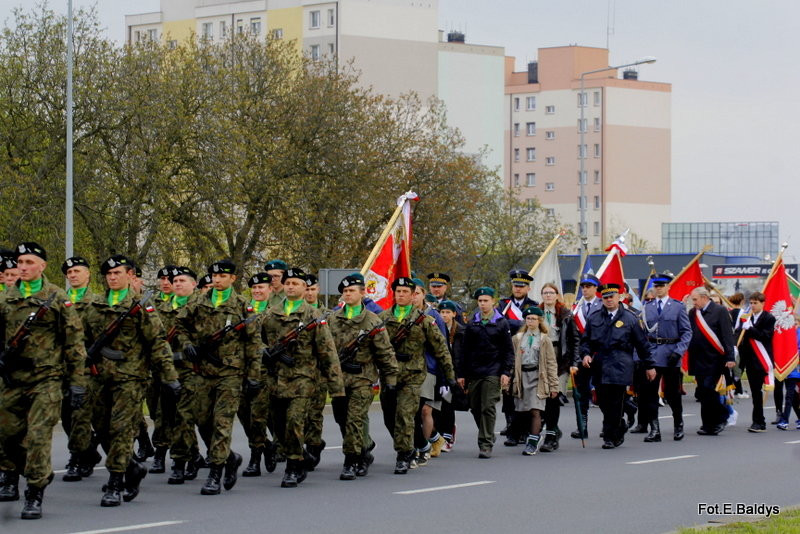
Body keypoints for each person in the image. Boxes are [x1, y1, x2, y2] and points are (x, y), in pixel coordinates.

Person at [83, 254, 181, 507]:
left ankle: (116, 481)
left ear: (130, 276)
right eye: (109, 274)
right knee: (102, 428)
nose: (113, 278)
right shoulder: (94, 304)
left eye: (118, 273)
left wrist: (170, 378)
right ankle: (131, 468)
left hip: (131, 377)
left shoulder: (141, 306)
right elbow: (80, 339)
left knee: (121, 429)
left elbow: (158, 343)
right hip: (99, 377)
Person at [0, 242, 88, 519]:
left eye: (28, 262)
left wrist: (77, 383)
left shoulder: (57, 297)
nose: (22, 267)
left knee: (38, 435)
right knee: (7, 435)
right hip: (12, 379)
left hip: (46, 379)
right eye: (19, 263)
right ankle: (22, 474)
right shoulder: (5, 299)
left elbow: (74, 343)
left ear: (42, 266)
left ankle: (34, 493)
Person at [177, 259, 260, 495]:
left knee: (222, 423)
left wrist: (253, 376)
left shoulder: (243, 305)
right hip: (203, 372)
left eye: (223, 276)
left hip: (230, 374)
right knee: (202, 420)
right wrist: (187, 345)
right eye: (214, 275)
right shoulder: (198, 301)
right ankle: (230, 457)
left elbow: (253, 344)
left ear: (233, 279)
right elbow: (180, 325)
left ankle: (215, 472)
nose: (217, 279)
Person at [260, 267, 343, 487]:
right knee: (278, 426)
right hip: (276, 379)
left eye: (295, 283)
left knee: (295, 421)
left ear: (305, 288)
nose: (290, 287)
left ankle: (293, 465)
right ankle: (297, 455)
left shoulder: (313, 316)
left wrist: (337, 387)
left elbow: (327, 352)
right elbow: (255, 340)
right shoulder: (271, 313)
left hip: (303, 379)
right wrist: (263, 351)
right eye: (287, 283)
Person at [378, 277, 454, 474]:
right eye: (398, 291)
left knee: (405, 415)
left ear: (413, 295)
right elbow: (373, 348)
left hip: (413, 375)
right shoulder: (383, 318)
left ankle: (404, 454)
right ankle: (419, 444)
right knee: (389, 417)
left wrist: (449, 376)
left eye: (405, 292)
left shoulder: (424, 320)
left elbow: (441, 348)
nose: (401, 295)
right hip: (390, 376)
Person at [328, 273, 398, 479]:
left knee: (355, 419)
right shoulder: (333, 319)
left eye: (351, 291)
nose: (347, 294)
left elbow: (385, 352)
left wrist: (391, 381)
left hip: (363, 378)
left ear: (362, 293)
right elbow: (325, 350)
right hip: (339, 380)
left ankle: (351, 460)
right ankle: (363, 450)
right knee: (341, 418)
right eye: (345, 291)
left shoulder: (372, 321)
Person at [576, 283, 656, 449]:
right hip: (600, 364)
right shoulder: (595, 317)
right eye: (605, 297)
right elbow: (586, 342)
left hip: (621, 363)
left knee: (616, 402)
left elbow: (642, 345)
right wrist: (585, 355)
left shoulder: (630, 318)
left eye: (611, 296)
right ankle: (619, 425)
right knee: (603, 402)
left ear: (619, 297)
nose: (609, 300)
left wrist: (649, 366)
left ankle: (611, 436)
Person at [161, 266, 206, 485]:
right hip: (167, 370)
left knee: (185, 416)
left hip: (193, 369)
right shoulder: (162, 307)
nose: (177, 284)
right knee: (170, 417)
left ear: (194, 284)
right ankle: (194, 455)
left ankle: (179, 462)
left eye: (181, 280)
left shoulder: (203, 307)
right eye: (174, 281)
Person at [457, 287, 514, 458]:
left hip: (493, 370)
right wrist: (461, 373)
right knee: (475, 407)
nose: (482, 304)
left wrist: (505, 372)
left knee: (488, 406)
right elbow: (464, 350)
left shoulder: (501, 322)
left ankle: (485, 443)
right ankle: (486, 432)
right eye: (480, 301)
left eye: (486, 301)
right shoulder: (472, 322)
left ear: (493, 302)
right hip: (474, 370)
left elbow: (508, 350)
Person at [60, 256, 102, 482]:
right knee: (66, 416)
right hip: (61, 369)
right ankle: (88, 452)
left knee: (80, 415)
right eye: (70, 272)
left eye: (77, 271)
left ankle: (78, 457)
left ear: (88, 274)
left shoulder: (96, 303)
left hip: (87, 369)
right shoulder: (59, 301)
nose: (73, 275)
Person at [639, 273, 692, 441]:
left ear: (669, 287)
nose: (659, 288)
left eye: (662, 285)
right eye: (657, 286)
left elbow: (686, 332)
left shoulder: (677, 306)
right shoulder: (647, 307)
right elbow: (643, 333)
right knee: (650, 393)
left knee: (672, 393)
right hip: (653, 353)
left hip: (671, 353)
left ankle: (678, 424)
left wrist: (679, 351)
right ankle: (655, 430)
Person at [239, 272, 275, 477]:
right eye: (254, 288)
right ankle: (267, 446)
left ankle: (255, 458)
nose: (257, 291)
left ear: (270, 289)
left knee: (258, 416)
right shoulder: (243, 310)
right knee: (244, 414)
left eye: (261, 287)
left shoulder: (277, 312)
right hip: (242, 369)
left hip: (263, 371)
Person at [688, 287, 736, 436]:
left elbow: (727, 335)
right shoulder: (693, 313)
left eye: (695, 299)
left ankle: (720, 418)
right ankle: (707, 424)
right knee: (702, 392)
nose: (693, 302)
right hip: (698, 358)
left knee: (710, 389)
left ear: (704, 298)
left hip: (715, 358)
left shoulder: (720, 311)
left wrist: (730, 357)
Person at [511, 307, 558, 455]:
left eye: (534, 318)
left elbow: (551, 363)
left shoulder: (545, 340)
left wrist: (553, 385)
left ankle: (533, 441)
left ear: (539, 320)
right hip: (522, 376)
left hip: (538, 377)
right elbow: (512, 361)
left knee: (535, 410)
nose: (530, 321)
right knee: (522, 410)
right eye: (528, 318)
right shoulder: (518, 338)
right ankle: (529, 435)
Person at [538, 283, 580, 452]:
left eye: (551, 293)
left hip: (560, 358)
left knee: (553, 397)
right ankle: (553, 429)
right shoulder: (536, 313)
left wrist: (574, 363)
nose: (548, 296)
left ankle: (550, 436)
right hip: (540, 357)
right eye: (545, 293)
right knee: (541, 398)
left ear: (557, 295)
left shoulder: (565, 314)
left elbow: (574, 340)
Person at [497, 269, 537, 440]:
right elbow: (499, 322)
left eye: (522, 286)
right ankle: (511, 424)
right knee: (508, 391)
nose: (518, 289)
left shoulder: (534, 305)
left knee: (525, 392)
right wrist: (518, 323)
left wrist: (513, 323)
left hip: (527, 352)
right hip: (507, 351)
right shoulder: (503, 304)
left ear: (528, 288)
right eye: (515, 286)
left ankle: (525, 428)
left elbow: (532, 326)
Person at [735, 291, 775, 433]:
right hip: (749, 361)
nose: (752, 306)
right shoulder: (746, 318)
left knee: (758, 392)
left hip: (762, 360)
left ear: (762, 303)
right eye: (750, 303)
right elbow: (740, 336)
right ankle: (758, 420)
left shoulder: (769, 318)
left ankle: (759, 422)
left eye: (755, 303)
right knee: (755, 392)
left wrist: (751, 329)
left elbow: (766, 336)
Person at [571, 273, 602, 440]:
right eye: (583, 286)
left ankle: (612, 422)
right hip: (582, 355)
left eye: (588, 286)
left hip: (599, 355)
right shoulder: (577, 307)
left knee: (603, 392)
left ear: (596, 288)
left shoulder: (602, 305)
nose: (585, 289)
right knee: (582, 393)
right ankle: (582, 426)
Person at [437, 300, 465, 451]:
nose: (445, 315)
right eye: (442, 312)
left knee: (448, 405)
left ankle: (448, 435)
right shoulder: (437, 328)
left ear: (454, 314)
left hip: (454, 373)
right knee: (437, 405)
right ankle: (438, 434)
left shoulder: (461, 332)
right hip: (439, 371)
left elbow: (462, 355)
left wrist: (461, 375)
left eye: (448, 312)